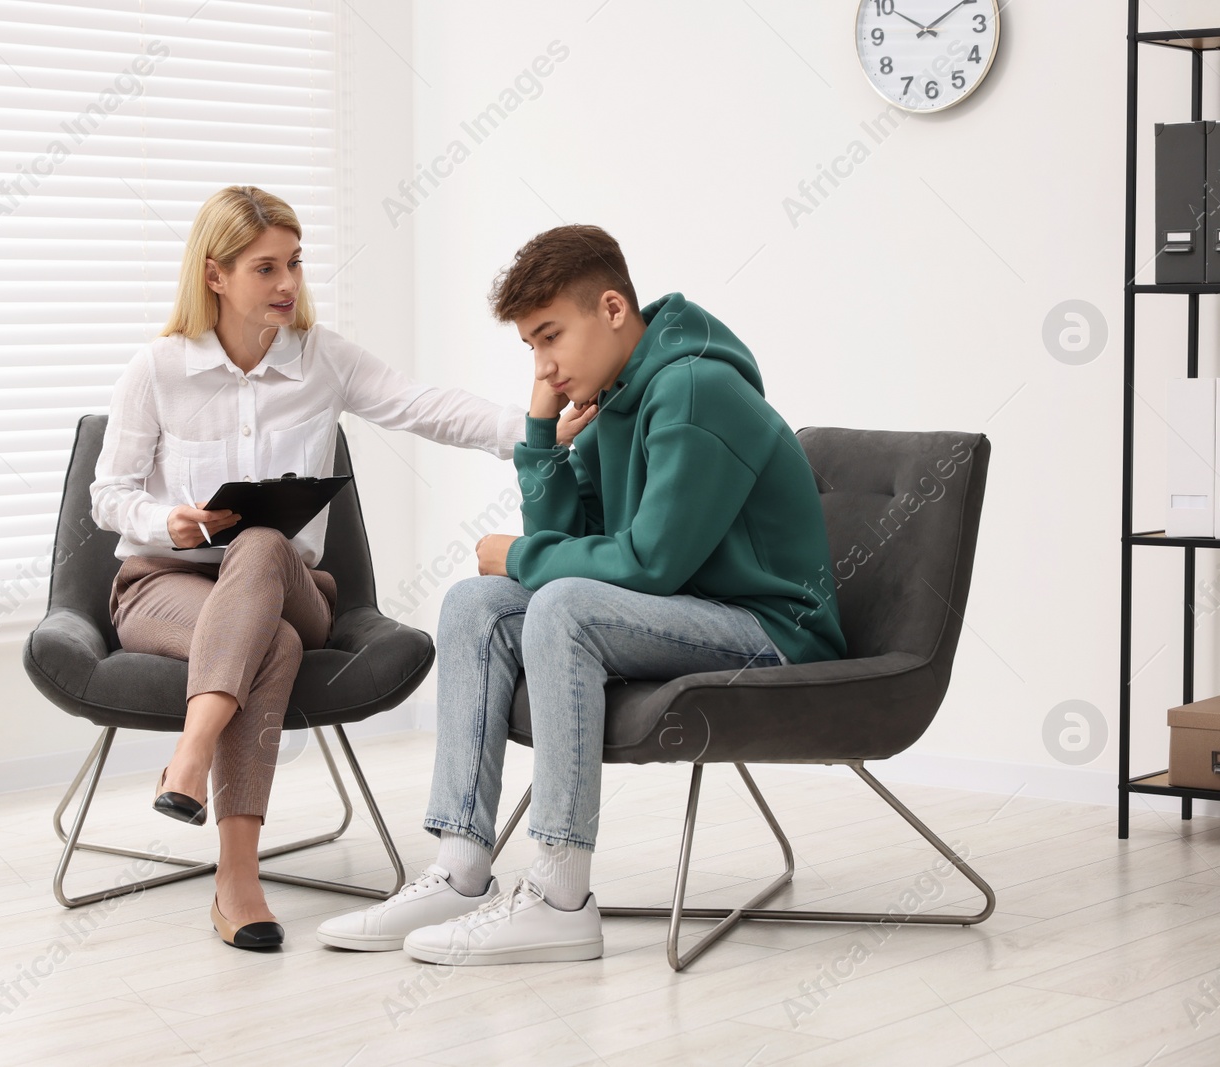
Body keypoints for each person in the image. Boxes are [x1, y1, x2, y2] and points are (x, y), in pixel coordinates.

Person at [317, 224, 846, 963]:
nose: (544, 364)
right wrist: (540, 434)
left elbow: (649, 563)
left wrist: (523, 553)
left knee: (561, 606)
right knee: (476, 604)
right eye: (531, 347)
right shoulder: (617, 396)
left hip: (772, 630)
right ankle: (461, 868)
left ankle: (561, 894)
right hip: (689, 613)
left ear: (611, 309)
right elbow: (574, 535)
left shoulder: (697, 389)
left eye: (549, 337)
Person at [88, 187, 596, 951]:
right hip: (164, 586)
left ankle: (186, 761)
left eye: (294, 262)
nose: (288, 282)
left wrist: (534, 432)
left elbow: (424, 406)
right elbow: (107, 496)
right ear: (216, 275)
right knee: (274, 647)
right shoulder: (157, 370)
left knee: (262, 546)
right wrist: (167, 520)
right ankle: (237, 882)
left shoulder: (321, 359)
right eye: (266, 268)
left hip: (292, 588)